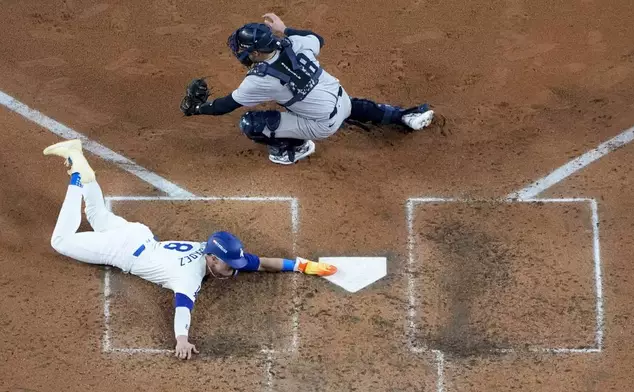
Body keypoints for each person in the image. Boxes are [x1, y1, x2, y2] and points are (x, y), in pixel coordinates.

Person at [43, 138, 338, 360]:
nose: (232, 269)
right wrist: (181, 340)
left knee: (97, 216)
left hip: (137, 237)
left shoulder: (219, 255)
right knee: (62, 241)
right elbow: (183, 308)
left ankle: (78, 157)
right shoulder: (190, 276)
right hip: (122, 248)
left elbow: (261, 263)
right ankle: (77, 173)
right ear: (211, 258)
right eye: (227, 265)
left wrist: (302, 265)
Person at [180, 12, 435, 165]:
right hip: (341, 99)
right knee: (348, 105)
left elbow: (226, 105)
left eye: (245, 49)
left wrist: (197, 109)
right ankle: (404, 116)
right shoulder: (296, 43)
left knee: (251, 124)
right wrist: (285, 30)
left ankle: (295, 148)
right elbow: (318, 38)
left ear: (256, 52)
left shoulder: (259, 80)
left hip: (322, 125)